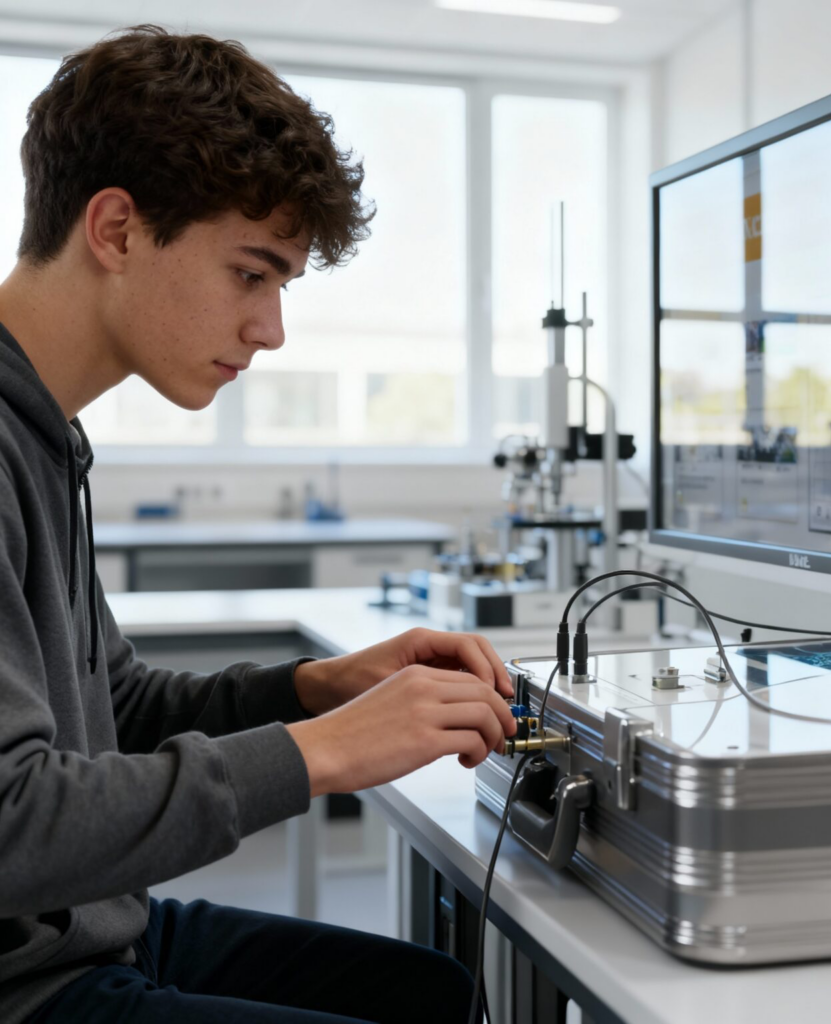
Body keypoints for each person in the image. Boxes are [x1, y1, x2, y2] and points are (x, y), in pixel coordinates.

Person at [0, 24, 516, 1024]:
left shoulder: (48, 434)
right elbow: (12, 819)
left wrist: (316, 689)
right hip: (27, 980)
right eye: (251, 273)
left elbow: (114, 711)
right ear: (115, 230)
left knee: (430, 994)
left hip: (88, 927)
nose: (270, 330)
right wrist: (321, 753)